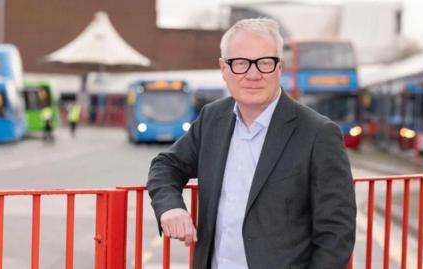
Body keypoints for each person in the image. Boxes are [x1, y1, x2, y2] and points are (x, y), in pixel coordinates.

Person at [147, 18, 356, 269]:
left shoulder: (318, 133)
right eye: (240, 64)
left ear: (279, 68)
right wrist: (171, 208)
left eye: (265, 63)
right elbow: (165, 165)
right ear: (224, 69)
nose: (253, 74)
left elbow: (336, 233)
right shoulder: (213, 118)